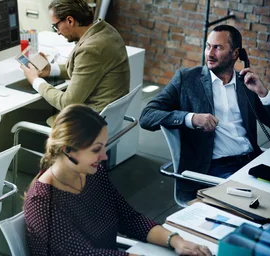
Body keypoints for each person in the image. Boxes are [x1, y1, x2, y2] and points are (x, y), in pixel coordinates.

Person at [24, 104, 211, 256]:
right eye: (96, 149)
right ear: (67, 150)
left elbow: (129, 218)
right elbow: (85, 254)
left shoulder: (93, 174)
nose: (104, 156)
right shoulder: (41, 202)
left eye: (104, 147)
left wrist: (176, 241)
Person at [140, 25, 270, 202]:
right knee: (262, 206)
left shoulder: (246, 84)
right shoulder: (187, 80)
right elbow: (147, 116)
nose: (210, 53)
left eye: (218, 48)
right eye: (208, 46)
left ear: (236, 54)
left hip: (253, 163)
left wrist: (263, 93)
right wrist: (191, 118)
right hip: (216, 169)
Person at [20, 0, 130, 125]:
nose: (58, 32)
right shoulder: (106, 30)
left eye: (56, 26)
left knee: (23, 117)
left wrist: (35, 81)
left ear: (70, 20)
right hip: (107, 118)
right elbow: (85, 70)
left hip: (89, 125)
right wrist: (51, 70)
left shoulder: (90, 49)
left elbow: (67, 103)